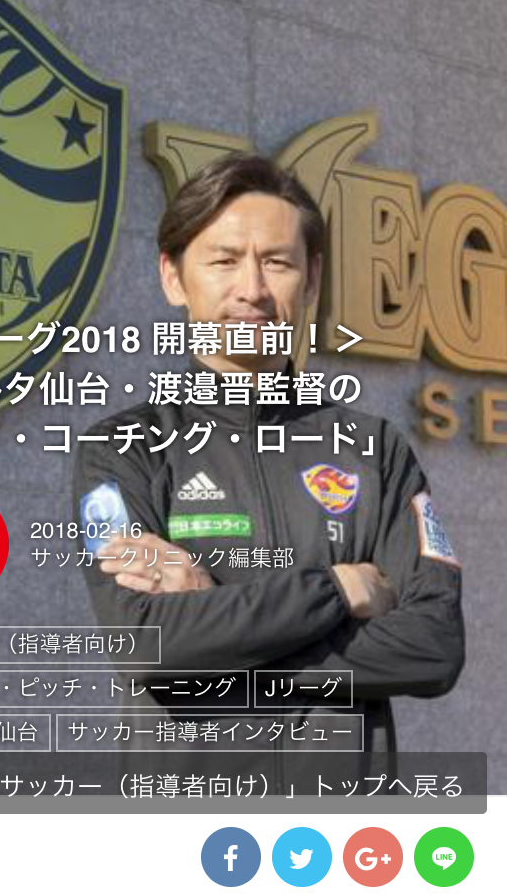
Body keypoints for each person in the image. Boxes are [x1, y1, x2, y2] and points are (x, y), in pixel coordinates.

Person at [73, 152, 464, 795]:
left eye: (277, 262)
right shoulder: (122, 450)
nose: (251, 288)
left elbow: (433, 646)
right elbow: (146, 645)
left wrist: (218, 631)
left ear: (312, 280)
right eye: (224, 260)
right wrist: (337, 591)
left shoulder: (373, 450)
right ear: (173, 277)